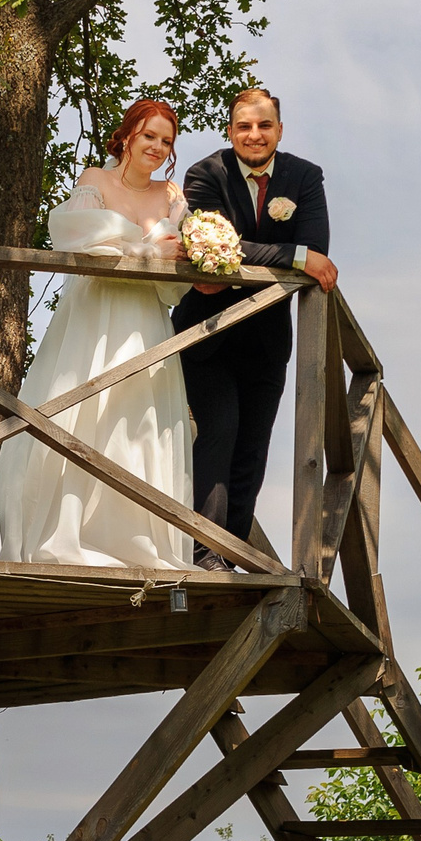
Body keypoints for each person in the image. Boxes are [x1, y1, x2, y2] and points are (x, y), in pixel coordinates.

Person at [0, 98, 196, 568]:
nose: (158, 147)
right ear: (126, 136)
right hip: (95, 314)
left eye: (166, 141)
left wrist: (176, 253)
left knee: (140, 417)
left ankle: (141, 543)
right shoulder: (93, 181)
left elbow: (179, 268)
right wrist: (149, 249)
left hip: (144, 318)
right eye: (149, 136)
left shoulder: (172, 197)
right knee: (83, 411)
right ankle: (67, 533)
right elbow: (80, 242)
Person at [175, 87, 336, 568]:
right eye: (244, 126)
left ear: (280, 130)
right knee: (218, 432)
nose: (254, 135)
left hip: (269, 338)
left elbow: (316, 242)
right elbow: (216, 247)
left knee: (253, 448)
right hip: (207, 330)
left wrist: (302, 254)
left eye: (264, 125)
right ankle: (205, 551)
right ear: (230, 131)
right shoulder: (204, 174)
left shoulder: (305, 177)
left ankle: (235, 553)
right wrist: (295, 257)